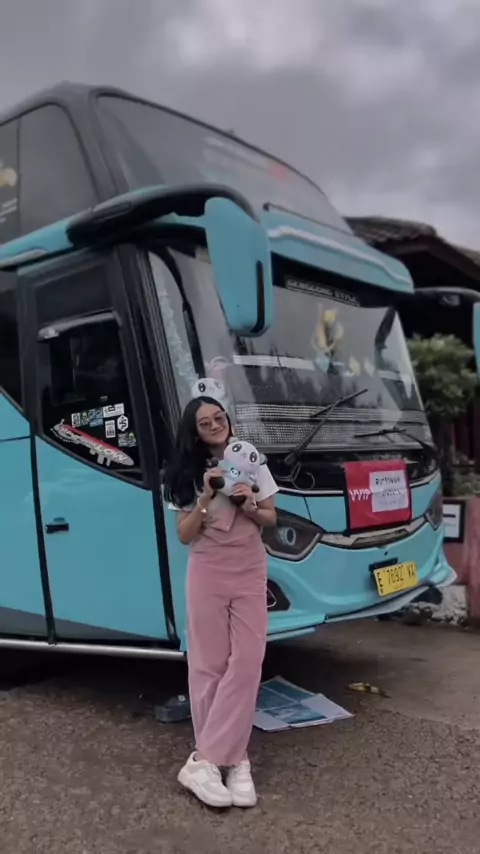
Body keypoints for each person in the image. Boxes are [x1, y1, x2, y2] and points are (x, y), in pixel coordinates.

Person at [163, 396, 278, 809]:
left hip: (248, 568)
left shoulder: (251, 460)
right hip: (207, 570)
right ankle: (234, 760)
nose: (214, 424)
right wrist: (205, 497)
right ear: (194, 432)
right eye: (204, 422)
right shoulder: (183, 473)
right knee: (208, 665)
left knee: (248, 659)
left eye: (218, 417)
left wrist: (250, 504)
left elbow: (270, 519)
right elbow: (184, 534)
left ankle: (206, 759)